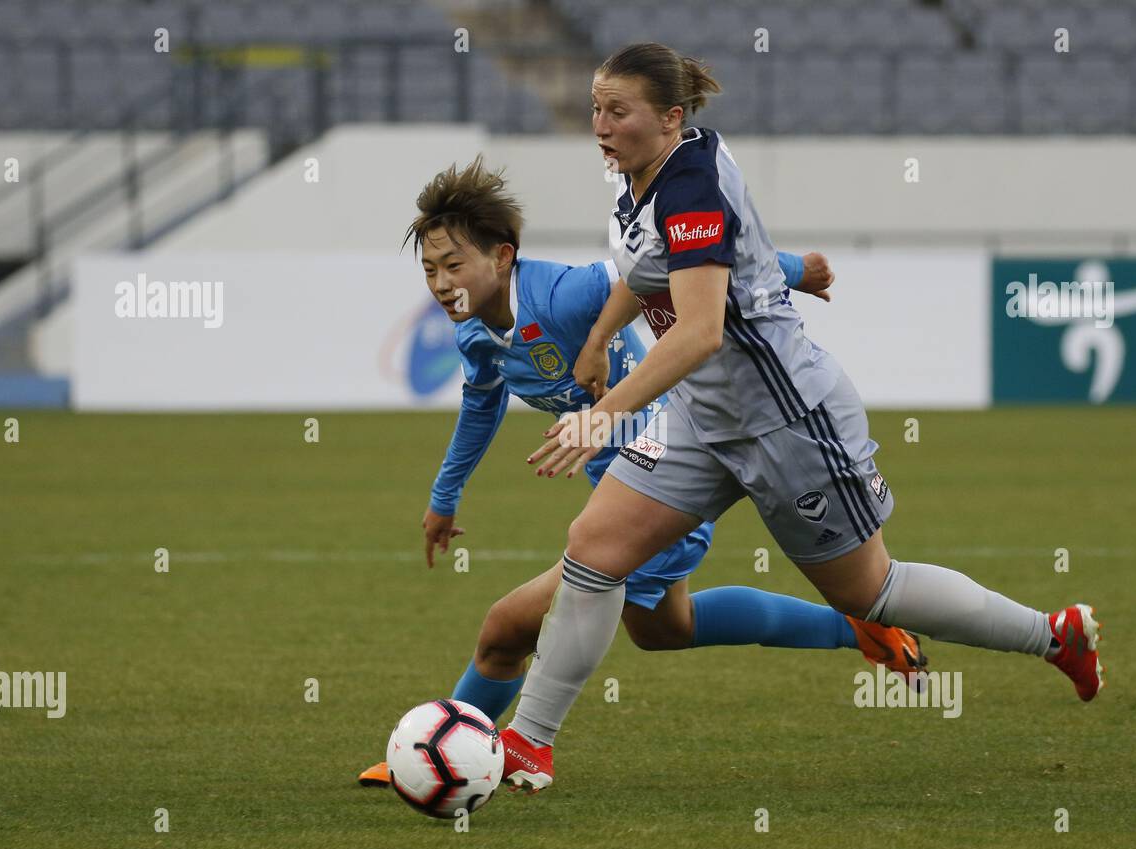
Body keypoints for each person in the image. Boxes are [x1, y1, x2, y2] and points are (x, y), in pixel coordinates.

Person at [502, 43, 1105, 794]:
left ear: (670, 117)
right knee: (594, 548)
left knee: (869, 593)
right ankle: (529, 743)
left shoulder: (690, 188)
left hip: (785, 420)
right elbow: (640, 268)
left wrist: (605, 414)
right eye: (596, 108)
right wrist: (597, 340)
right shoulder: (640, 174)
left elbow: (699, 331)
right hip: (701, 414)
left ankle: (1054, 637)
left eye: (616, 111)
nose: (599, 124)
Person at [358, 156, 926, 786]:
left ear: (502, 258)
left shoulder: (568, 293)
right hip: (623, 495)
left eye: (453, 264)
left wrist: (794, 270)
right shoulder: (475, 333)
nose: (440, 283)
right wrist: (444, 499)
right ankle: (857, 630)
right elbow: (480, 406)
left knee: (505, 628)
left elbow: (673, 267)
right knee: (665, 629)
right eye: (430, 269)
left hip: (669, 478)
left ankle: (438, 757)